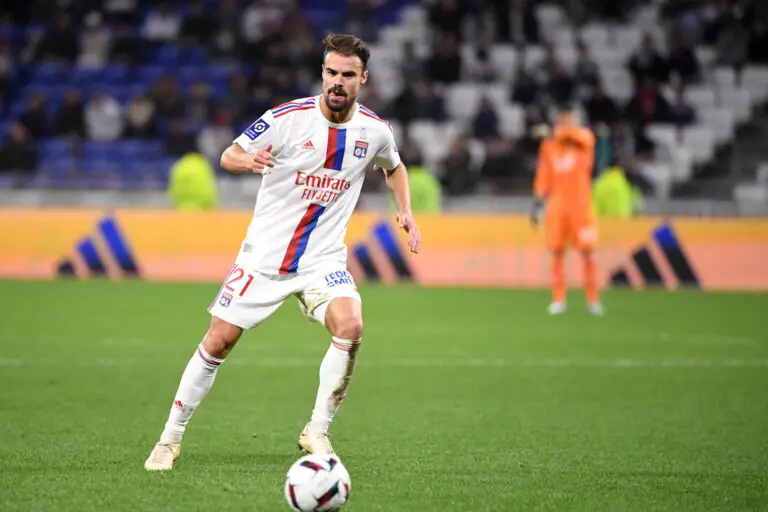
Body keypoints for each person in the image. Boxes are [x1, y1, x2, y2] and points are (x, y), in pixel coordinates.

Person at [144, 34, 422, 471]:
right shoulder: (286, 119)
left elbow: (395, 166)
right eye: (331, 72)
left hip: (322, 260)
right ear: (322, 73)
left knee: (351, 325)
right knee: (218, 342)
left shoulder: (375, 131)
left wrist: (404, 209)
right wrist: (248, 162)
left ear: (363, 78)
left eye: (348, 75)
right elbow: (230, 154)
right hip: (264, 258)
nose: (338, 82)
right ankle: (169, 438)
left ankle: (317, 429)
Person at [530, 105, 603, 316]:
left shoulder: (584, 139)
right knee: (556, 253)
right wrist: (537, 204)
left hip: (581, 207)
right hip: (557, 208)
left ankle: (593, 300)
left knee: (588, 253)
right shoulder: (549, 146)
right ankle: (558, 299)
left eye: (570, 119)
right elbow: (544, 175)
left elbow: (582, 138)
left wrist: (556, 132)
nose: (567, 123)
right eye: (563, 119)